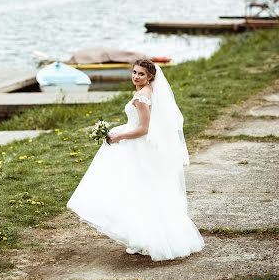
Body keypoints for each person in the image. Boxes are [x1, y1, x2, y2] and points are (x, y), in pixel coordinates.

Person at [67, 58, 205, 261]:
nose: (136, 76)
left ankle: (146, 238)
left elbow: (144, 129)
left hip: (137, 147)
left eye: (141, 74)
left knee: (137, 190)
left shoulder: (141, 97)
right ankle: (145, 236)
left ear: (150, 76)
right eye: (134, 72)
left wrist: (118, 136)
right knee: (144, 190)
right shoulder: (150, 92)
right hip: (142, 147)